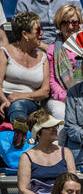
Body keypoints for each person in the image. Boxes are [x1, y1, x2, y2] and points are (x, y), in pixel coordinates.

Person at [0, 12, 50, 149]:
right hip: (3, 97)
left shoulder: (43, 57)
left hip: (29, 101)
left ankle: (19, 131)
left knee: (19, 104)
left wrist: (19, 96)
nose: (42, 33)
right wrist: (4, 100)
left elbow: (45, 91)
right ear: (25, 34)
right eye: (38, 30)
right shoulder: (5, 52)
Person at [46, 4, 83, 145]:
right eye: (66, 22)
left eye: (75, 22)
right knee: (60, 113)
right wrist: (68, 98)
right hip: (61, 98)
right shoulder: (53, 49)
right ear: (59, 24)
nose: (70, 26)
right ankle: (56, 155)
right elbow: (52, 81)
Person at [15, 0, 83, 50]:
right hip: (38, 50)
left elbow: (79, 25)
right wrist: (49, 49)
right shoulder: (24, 1)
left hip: (68, 47)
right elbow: (22, 34)